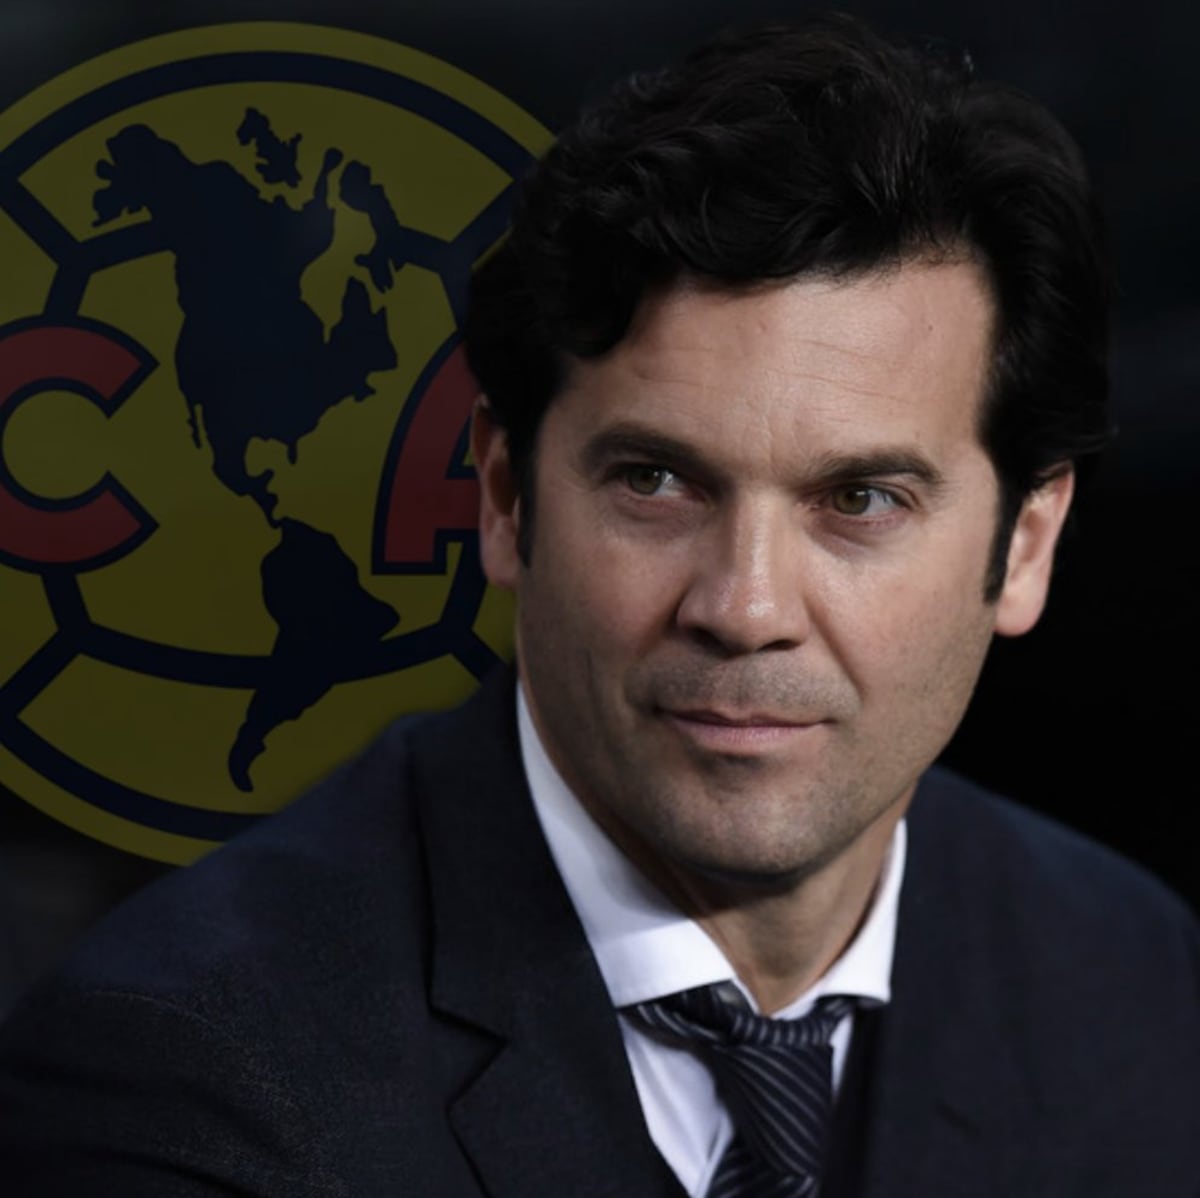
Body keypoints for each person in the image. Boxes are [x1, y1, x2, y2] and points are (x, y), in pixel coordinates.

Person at [0, 12, 1196, 1197]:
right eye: (656, 482)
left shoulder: (1131, 978)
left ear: (1025, 543)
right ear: (506, 495)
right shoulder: (184, 1085)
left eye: (862, 500)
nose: (745, 606)